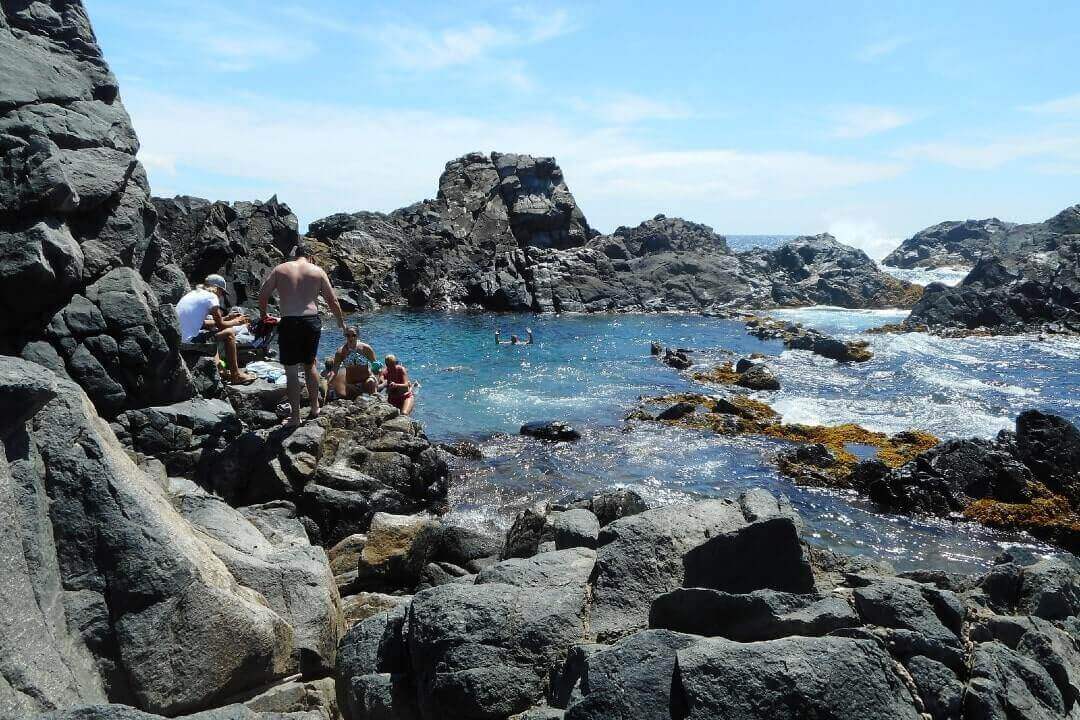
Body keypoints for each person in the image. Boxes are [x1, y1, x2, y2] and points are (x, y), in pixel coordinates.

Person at [258, 242, 345, 427]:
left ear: (294, 256)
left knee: (291, 372)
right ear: (310, 257)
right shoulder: (317, 271)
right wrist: (340, 322)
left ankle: (295, 417)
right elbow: (333, 300)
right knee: (310, 364)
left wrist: (264, 315)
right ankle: (315, 408)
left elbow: (263, 295)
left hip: (289, 322)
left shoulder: (281, 269)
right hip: (311, 322)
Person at [176, 274, 256, 385]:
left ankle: (220, 370)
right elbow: (221, 325)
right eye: (222, 292)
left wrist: (227, 318)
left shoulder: (193, 294)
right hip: (187, 341)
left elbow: (203, 323)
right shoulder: (211, 297)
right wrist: (237, 322)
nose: (221, 296)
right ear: (216, 288)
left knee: (211, 334)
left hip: (178, 337)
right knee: (229, 333)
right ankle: (236, 375)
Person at [328, 326, 379, 400]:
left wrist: (376, 377)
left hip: (367, 380)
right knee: (348, 398)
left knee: (370, 382)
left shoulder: (366, 348)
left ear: (358, 336)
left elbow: (375, 365)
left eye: (353, 335)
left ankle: (375, 394)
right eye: (348, 335)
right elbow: (335, 370)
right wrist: (329, 381)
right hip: (352, 384)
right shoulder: (341, 352)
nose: (351, 338)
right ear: (345, 336)